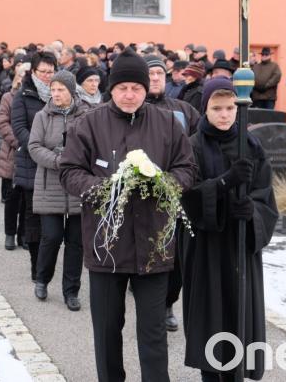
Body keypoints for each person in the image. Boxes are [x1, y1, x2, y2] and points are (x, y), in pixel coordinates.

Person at [59, 48, 196, 382]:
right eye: (123, 88)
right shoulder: (89, 123)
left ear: (146, 88)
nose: (130, 94)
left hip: (153, 247)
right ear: (112, 89)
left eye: (136, 87)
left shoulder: (167, 123)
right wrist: (105, 188)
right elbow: (69, 170)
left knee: (152, 333)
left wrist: (164, 183)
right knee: (107, 331)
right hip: (106, 245)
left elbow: (187, 167)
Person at [180, 77, 278, 381]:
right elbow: (185, 197)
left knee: (238, 319)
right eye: (217, 108)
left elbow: (265, 197)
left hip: (240, 246)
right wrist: (223, 184)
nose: (224, 114)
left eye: (231, 107)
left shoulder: (250, 146)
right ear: (205, 109)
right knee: (211, 323)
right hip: (206, 249)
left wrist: (251, 212)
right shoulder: (191, 146)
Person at [143, 55, 200, 333]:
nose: (155, 78)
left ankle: (167, 304)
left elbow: (200, 140)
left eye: (159, 73)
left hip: (177, 193)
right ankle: (148, 306)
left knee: (175, 258)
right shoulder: (133, 108)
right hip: (143, 196)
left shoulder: (183, 110)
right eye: (149, 73)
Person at [28, 70, 90, 312]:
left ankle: (71, 291)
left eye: (60, 90)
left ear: (71, 91)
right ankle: (42, 279)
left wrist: (74, 159)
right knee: (51, 237)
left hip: (77, 185)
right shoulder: (42, 116)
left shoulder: (86, 115)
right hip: (49, 184)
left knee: (76, 242)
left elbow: (92, 145)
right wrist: (56, 160)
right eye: (52, 90)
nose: (55, 94)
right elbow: (34, 146)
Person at [12, 51, 58, 281]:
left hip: (55, 165)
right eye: (44, 72)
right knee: (33, 219)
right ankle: (36, 269)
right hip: (31, 163)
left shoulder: (60, 94)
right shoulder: (23, 96)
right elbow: (18, 128)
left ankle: (46, 266)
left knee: (52, 223)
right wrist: (37, 147)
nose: (48, 76)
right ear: (33, 72)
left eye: (51, 71)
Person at [0, 62, 29, 250]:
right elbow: (2, 123)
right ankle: (10, 234)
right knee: (12, 198)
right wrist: (19, 142)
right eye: (22, 73)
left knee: (28, 199)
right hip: (12, 152)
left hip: (30, 152)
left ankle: (24, 234)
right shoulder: (8, 97)